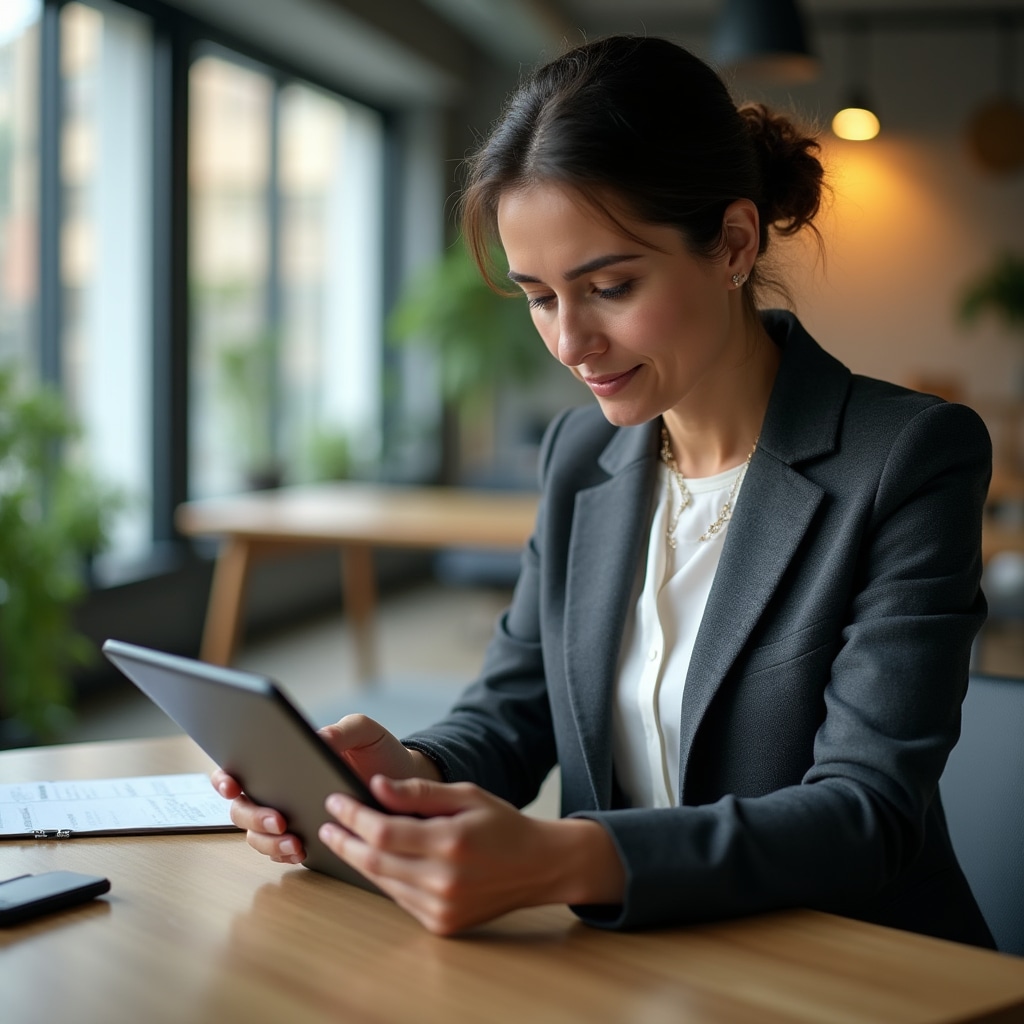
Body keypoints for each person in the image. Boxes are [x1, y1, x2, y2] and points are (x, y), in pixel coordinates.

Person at [213, 35, 995, 947]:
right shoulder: (582, 454)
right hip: (638, 968)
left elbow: (868, 813)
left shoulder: (906, 458)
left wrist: (569, 860)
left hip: (852, 969)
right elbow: (515, 711)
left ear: (734, 243)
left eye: (611, 287)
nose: (570, 343)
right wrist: (401, 774)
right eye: (540, 297)